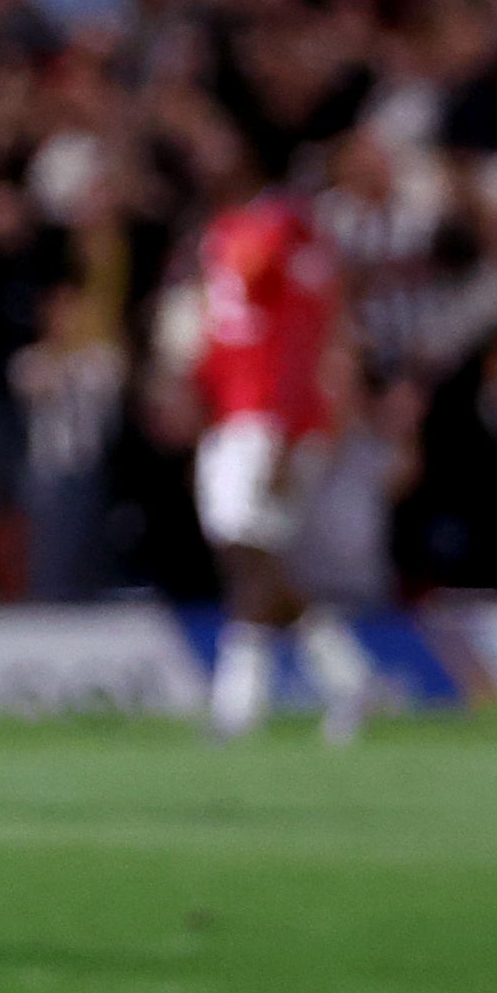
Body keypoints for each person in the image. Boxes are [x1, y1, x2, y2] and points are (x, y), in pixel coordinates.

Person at [189, 146, 372, 744]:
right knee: (248, 554)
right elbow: (228, 336)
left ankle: (237, 705)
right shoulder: (221, 233)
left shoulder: (284, 231)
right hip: (234, 416)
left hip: (270, 419)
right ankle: (346, 676)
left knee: (248, 550)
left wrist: (289, 432)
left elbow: (300, 336)